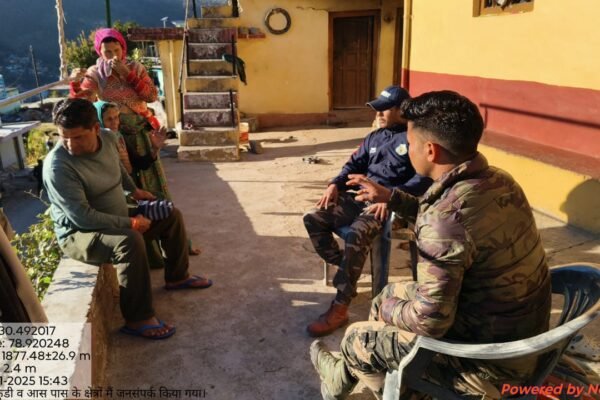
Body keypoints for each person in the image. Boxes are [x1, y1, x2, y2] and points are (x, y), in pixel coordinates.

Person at [310, 90, 552, 399]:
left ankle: (401, 389)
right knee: (386, 295)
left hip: (487, 362)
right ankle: (370, 374)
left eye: (410, 143)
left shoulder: (442, 223)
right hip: (521, 334)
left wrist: (387, 310)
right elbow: (450, 214)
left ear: (430, 151)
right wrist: (392, 197)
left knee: (357, 337)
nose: (407, 148)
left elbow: (430, 323)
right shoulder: (499, 180)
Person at [43, 98, 212, 340]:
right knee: (130, 241)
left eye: (78, 137)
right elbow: (83, 218)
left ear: (95, 128)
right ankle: (138, 318)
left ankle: (177, 277)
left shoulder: (109, 138)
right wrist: (130, 223)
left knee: (170, 215)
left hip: (116, 214)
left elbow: (119, 168)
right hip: (80, 233)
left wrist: (134, 191)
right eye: (64, 137)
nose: (70, 144)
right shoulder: (58, 167)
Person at [303, 85, 432, 338]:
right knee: (313, 218)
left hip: (388, 206)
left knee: (357, 233)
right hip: (360, 197)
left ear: (401, 110)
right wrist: (334, 184)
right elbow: (353, 164)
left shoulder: (413, 138)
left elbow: (423, 177)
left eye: (384, 109)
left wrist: (391, 197)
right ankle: (347, 266)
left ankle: (340, 307)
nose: (378, 114)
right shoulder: (375, 137)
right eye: (377, 109)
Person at [69, 28, 169, 200]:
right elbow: (82, 104)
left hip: (140, 134)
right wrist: (75, 83)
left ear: (123, 48)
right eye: (107, 52)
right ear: (99, 52)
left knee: (148, 175)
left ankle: (156, 209)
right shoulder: (95, 74)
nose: (114, 56)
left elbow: (151, 96)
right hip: (113, 135)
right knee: (124, 180)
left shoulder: (136, 68)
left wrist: (128, 74)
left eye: (117, 50)